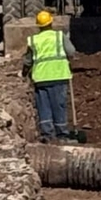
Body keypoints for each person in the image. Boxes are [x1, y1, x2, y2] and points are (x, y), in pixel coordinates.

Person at [21, 10, 75, 142]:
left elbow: (28, 60)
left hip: (41, 78)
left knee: (43, 106)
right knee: (59, 105)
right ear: (51, 23)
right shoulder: (59, 36)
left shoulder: (34, 40)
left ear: (39, 25)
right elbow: (71, 52)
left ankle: (47, 134)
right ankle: (62, 134)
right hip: (58, 75)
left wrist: (24, 72)